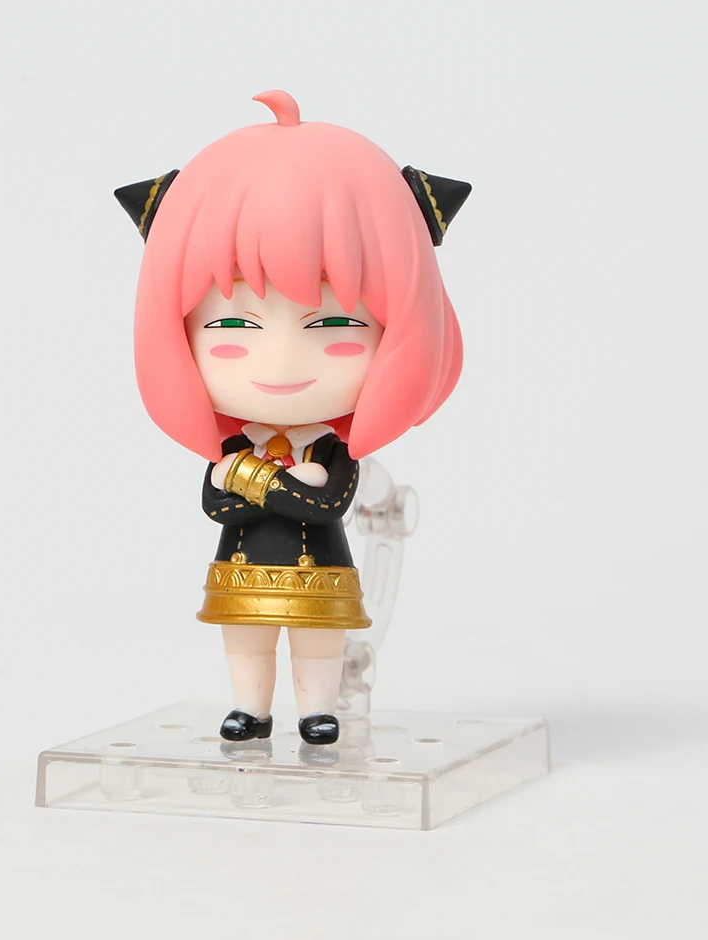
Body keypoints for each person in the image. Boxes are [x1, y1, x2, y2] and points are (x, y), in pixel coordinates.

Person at [115, 89, 470, 744]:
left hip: (322, 574)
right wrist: (272, 484)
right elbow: (218, 508)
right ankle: (250, 709)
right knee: (245, 638)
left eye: (333, 323)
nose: (279, 362)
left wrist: (251, 481)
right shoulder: (239, 445)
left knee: (318, 642)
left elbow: (326, 503)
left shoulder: (328, 451)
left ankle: (317, 710)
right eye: (232, 325)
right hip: (241, 570)